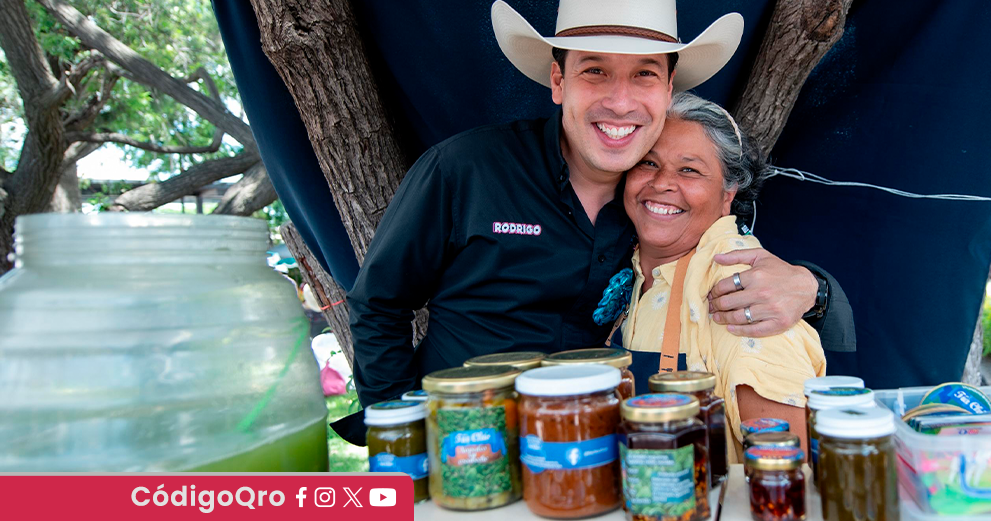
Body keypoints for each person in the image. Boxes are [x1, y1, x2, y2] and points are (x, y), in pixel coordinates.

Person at [335, 0, 847, 443]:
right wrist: (401, 437)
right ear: (559, 81)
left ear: (668, 88)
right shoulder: (466, 168)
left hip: (596, 460)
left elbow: (730, 267)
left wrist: (813, 288)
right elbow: (379, 303)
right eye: (594, 70)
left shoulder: (654, 208)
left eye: (644, 72)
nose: (620, 101)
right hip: (466, 448)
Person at [618, 93, 826, 458]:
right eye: (648, 163)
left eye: (689, 169)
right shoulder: (632, 266)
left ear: (728, 192)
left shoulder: (740, 288)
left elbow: (786, 473)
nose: (662, 183)